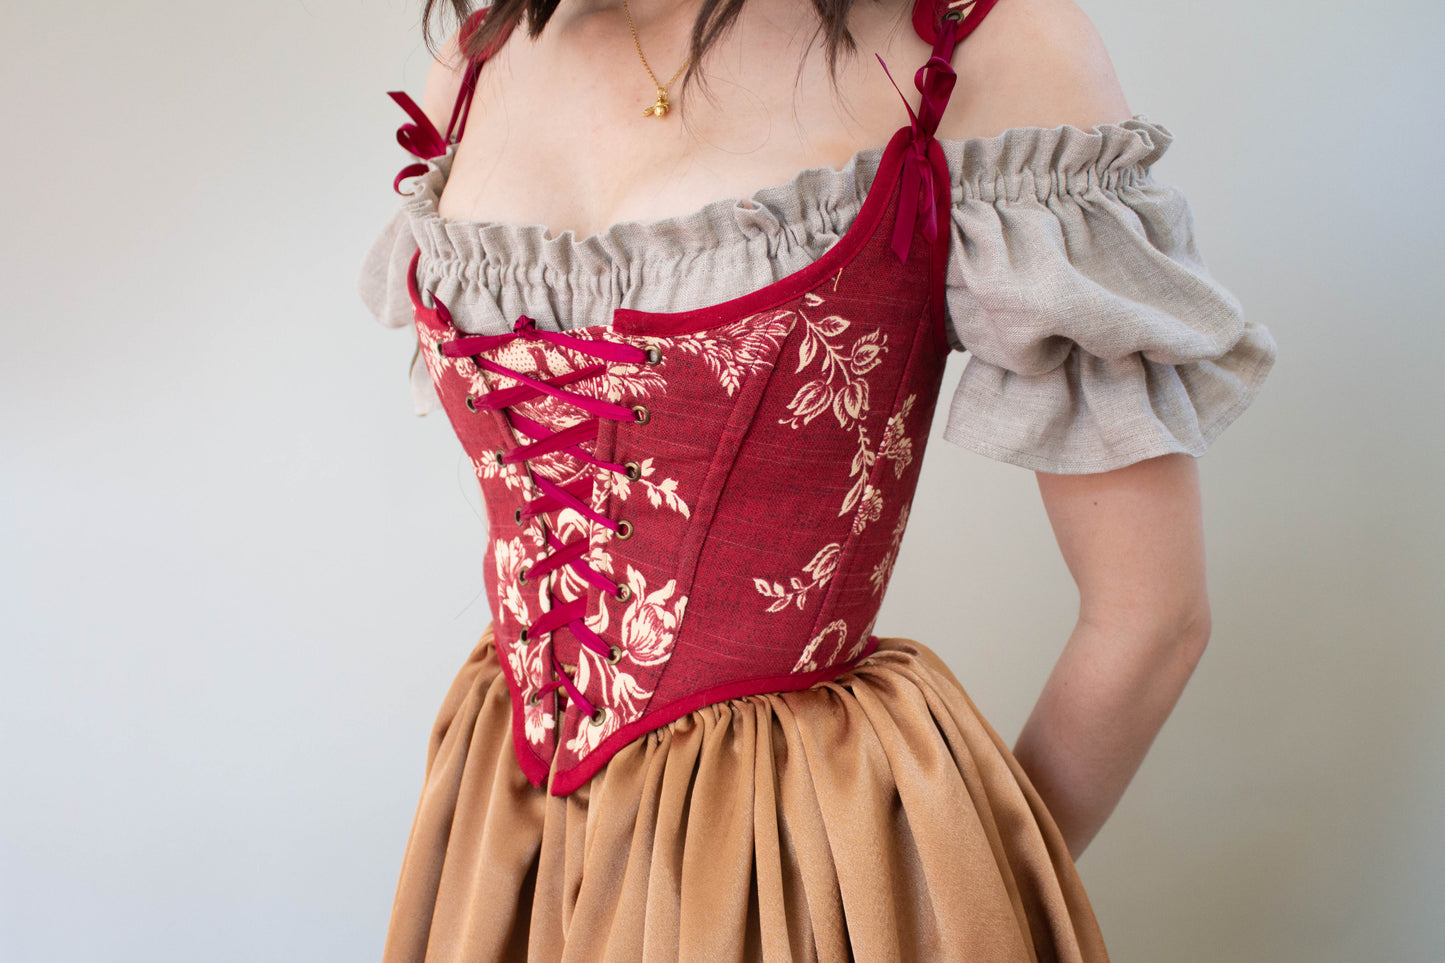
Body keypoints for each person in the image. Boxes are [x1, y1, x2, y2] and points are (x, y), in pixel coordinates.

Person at [357, 0, 1278, 957]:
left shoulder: (979, 44)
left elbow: (1151, 617)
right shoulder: (483, 54)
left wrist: (950, 901)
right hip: (503, 822)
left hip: (787, 858)